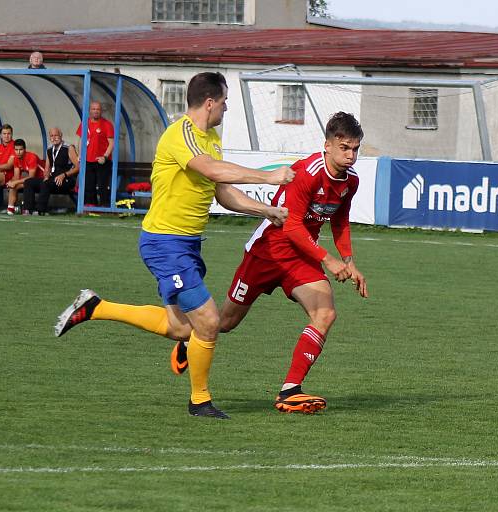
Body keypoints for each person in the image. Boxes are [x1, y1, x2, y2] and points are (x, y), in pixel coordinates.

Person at [54, 71, 295, 420]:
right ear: (210, 102)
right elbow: (212, 170)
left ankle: (94, 307)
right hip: (165, 243)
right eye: (225, 102)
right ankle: (200, 401)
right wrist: (267, 176)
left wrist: (265, 210)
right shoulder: (180, 135)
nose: (226, 109)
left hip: (187, 244)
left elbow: (221, 191)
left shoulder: (210, 137)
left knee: (183, 328)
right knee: (209, 322)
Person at [171, 112, 369, 414]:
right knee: (224, 323)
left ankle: (290, 390)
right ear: (327, 145)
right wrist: (328, 259)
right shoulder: (307, 172)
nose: (351, 155)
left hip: (301, 256)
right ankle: (190, 341)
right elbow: (289, 227)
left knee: (325, 313)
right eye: (344, 147)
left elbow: (340, 219)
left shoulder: (350, 181)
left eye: (355, 148)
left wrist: (349, 260)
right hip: (268, 251)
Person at [23, 127, 79, 215]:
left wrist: (64, 175)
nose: (54, 138)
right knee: (28, 182)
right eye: (52, 136)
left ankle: (40, 210)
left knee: (46, 184)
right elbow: (47, 168)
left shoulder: (68, 147)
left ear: (61, 135)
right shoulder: (49, 149)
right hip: (53, 179)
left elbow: (78, 167)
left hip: (66, 180)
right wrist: (46, 177)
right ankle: (27, 209)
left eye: (56, 135)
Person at [76, 101, 114, 207]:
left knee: (103, 185)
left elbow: (111, 143)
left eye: (98, 109)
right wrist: (80, 154)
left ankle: (104, 207)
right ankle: (91, 207)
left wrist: (105, 157)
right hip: (88, 160)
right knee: (89, 185)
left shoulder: (107, 124)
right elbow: (81, 140)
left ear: (101, 111)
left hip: (102, 160)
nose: (95, 111)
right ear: (90, 111)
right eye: (93, 109)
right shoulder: (85, 123)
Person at [4, 139, 42, 215]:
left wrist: (15, 182)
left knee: (22, 183)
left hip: (43, 179)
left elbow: (31, 177)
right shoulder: (16, 158)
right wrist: (11, 182)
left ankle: (26, 209)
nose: (18, 152)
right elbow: (16, 177)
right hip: (31, 181)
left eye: (20, 149)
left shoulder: (32, 157)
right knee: (13, 185)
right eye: (16, 150)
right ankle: (10, 209)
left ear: (24, 149)